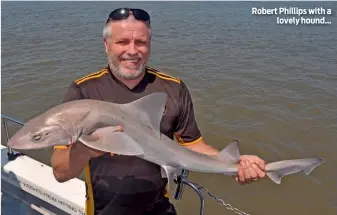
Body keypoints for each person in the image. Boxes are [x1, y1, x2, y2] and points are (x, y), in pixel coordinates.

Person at [51, 8, 266, 215]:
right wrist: (86, 149)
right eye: (122, 42)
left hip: (160, 209)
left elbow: (193, 146)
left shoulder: (172, 88)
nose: (132, 51)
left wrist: (234, 164)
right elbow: (60, 172)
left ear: (150, 44)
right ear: (106, 44)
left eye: (141, 42)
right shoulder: (83, 91)